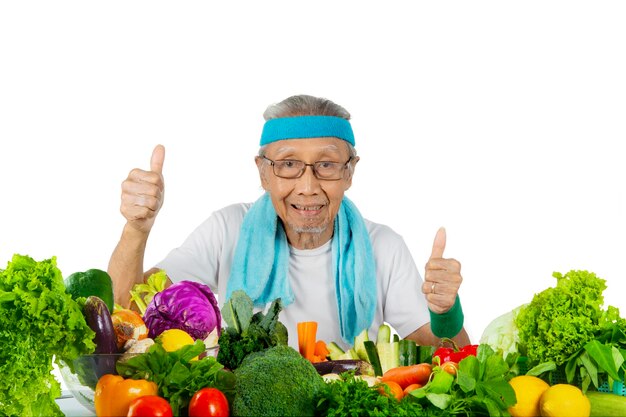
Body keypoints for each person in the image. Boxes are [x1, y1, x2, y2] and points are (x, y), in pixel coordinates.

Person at [108, 94, 470, 348]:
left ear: (350, 172)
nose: (308, 187)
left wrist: (445, 313)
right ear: (263, 173)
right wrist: (136, 230)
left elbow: (450, 358)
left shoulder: (384, 247)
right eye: (288, 165)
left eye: (326, 165)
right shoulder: (226, 230)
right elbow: (124, 313)